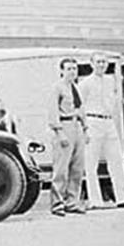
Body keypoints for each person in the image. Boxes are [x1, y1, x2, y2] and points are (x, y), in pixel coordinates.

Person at [79, 52, 124, 209]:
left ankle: (123, 197)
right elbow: (79, 106)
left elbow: (113, 103)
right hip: (92, 121)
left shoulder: (111, 81)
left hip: (108, 122)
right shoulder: (85, 83)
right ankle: (95, 200)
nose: (101, 65)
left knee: (116, 160)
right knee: (91, 163)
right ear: (91, 64)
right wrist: (85, 127)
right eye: (98, 62)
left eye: (104, 62)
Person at [47, 58, 87, 216]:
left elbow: (81, 109)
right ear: (62, 70)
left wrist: (85, 128)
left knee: (77, 168)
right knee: (61, 169)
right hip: (64, 127)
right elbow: (53, 112)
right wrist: (60, 132)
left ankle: (72, 201)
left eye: (75, 69)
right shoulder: (57, 88)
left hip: (77, 126)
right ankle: (57, 204)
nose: (72, 72)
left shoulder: (75, 88)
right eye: (69, 69)